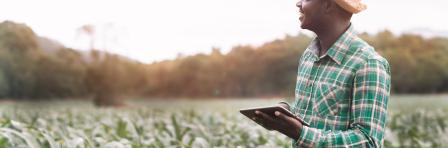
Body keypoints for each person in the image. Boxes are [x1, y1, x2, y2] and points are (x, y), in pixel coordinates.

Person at [253, 0, 391, 147]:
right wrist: (285, 112)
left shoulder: (368, 63)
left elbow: (369, 142)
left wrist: (300, 133)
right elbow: (317, 113)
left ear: (328, 5)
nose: (298, 4)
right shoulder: (308, 55)